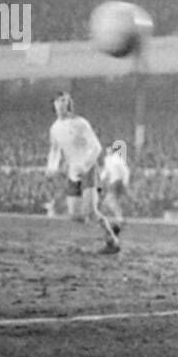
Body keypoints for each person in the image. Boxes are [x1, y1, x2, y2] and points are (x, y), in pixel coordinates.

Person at [47, 92, 120, 254]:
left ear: (69, 104)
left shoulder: (80, 123)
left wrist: (86, 165)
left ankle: (112, 241)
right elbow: (54, 150)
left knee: (90, 210)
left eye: (64, 100)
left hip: (88, 170)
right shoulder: (55, 128)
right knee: (74, 215)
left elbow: (96, 147)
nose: (61, 104)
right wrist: (51, 167)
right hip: (73, 172)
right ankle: (105, 223)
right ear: (54, 105)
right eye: (58, 101)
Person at [98, 143, 130, 235]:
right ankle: (118, 219)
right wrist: (101, 179)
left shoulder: (117, 159)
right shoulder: (107, 159)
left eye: (110, 149)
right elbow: (106, 171)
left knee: (109, 200)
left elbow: (126, 170)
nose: (108, 151)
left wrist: (125, 182)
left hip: (117, 181)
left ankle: (119, 218)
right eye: (107, 149)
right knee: (108, 202)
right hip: (112, 182)